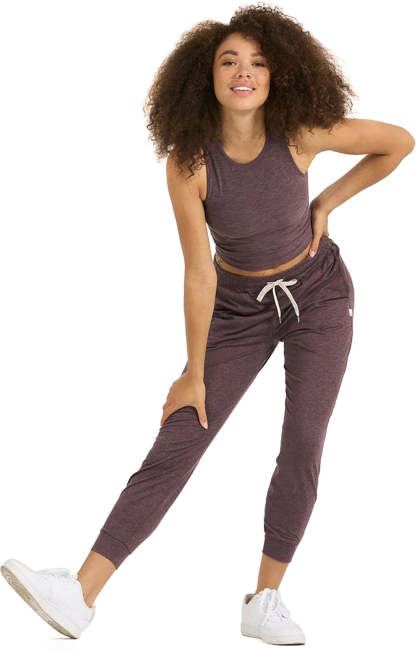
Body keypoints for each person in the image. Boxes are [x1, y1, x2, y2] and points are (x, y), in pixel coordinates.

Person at [1, 4, 414, 644]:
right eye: (229, 61)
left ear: (277, 75)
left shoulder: (300, 133)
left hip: (319, 296)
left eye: (257, 62)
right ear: (208, 76)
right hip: (238, 307)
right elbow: (200, 272)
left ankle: (265, 599)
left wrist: (327, 201)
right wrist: (193, 373)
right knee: (182, 431)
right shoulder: (189, 163)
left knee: (303, 441)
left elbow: (398, 142)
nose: (243, 72)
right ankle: (79, 592)